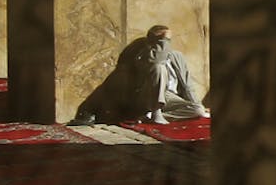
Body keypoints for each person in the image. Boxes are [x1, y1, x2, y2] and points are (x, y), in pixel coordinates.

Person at [67, 25, 208, 125]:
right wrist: (162, 42)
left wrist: (196, 103)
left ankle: (149, 117)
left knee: (198, 110)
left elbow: (187, 85)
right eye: (163, 40)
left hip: (169, 97)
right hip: (147, 96)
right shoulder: (143, 56)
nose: (167, 43)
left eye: (168, 40)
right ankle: (155, 113)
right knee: (159, 68)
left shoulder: (177, 56)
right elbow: (157, 61)